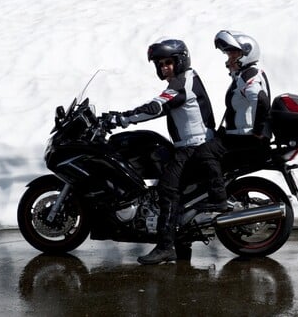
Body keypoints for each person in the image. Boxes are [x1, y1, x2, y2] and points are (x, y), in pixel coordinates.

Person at [111, 38, 215, 265]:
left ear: (180, 61)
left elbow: (156, 106)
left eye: (168, 62)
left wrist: (123, 118)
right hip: (193, 143)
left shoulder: (181, 84)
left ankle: (166, 246)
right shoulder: (186, 79)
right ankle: (181, 237)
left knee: (168, 188)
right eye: (160, 64)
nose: (164, 67)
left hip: (193, 146)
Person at [192, 30, 271, 212]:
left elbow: (261, 100)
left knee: (205, 153)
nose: (229, 58)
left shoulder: (248, 75)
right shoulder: (243, 75)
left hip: (248, 138)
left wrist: (258, 131)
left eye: (233, 53)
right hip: (239, 135)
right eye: (228, 54)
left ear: (246, 54)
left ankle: (218, 199)